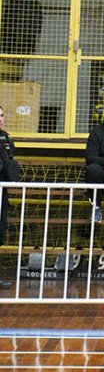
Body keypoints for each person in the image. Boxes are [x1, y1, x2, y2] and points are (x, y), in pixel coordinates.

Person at [0, 104, 22, 289]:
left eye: (2, 115)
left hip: (2, 193)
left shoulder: (6, 138)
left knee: (0, 233)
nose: (0, 119)